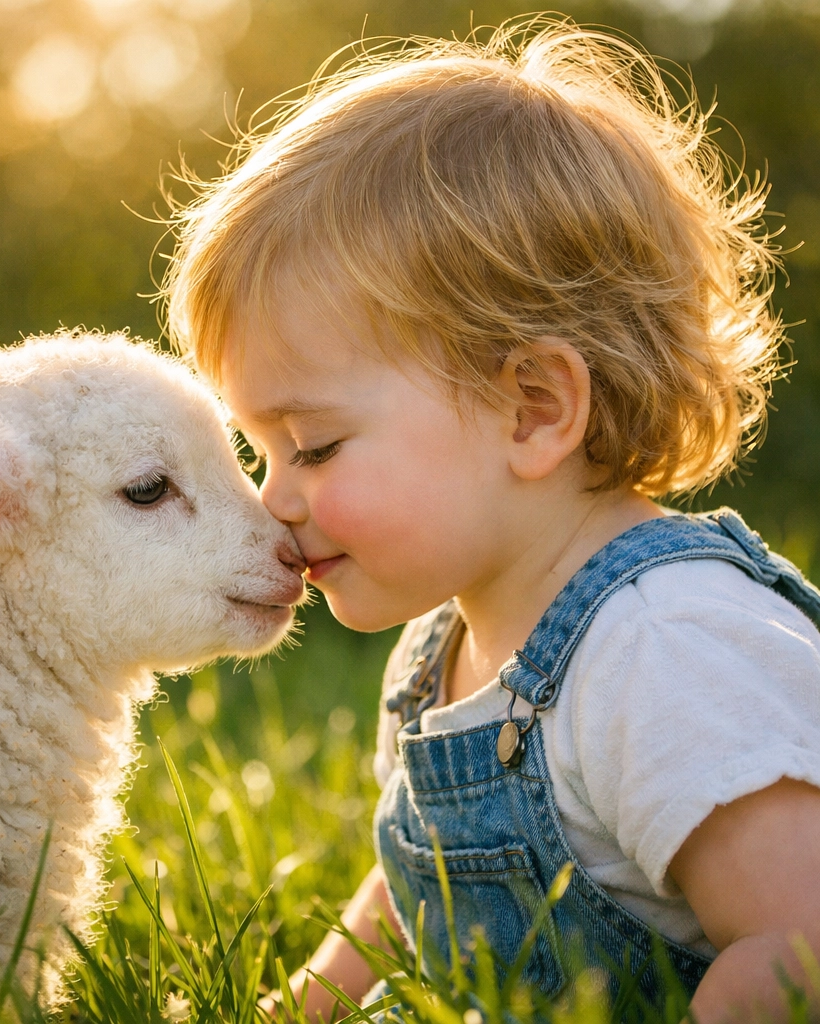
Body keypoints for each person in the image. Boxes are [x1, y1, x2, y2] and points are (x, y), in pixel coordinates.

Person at [162, 15, 820, 1022]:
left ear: (533, 410)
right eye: (262, 449)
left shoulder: (663, 648)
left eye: (315, 445)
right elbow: (412, 889)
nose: (274, 496)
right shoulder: (445, 651)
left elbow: (795, 946)